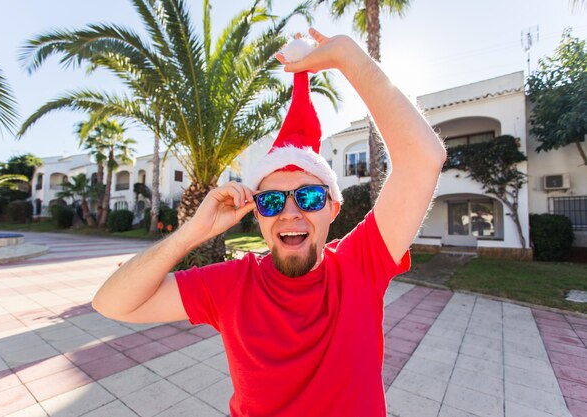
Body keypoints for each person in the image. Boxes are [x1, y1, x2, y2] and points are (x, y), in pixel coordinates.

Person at [92, 28, 446, 417]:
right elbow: (111, 304)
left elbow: (422, 158)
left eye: (309, 196)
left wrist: (348, 57)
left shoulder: (360, 265)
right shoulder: (232, 285)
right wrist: (192, 232)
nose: (290, 212)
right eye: (273, 200)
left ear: (333, 208)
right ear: (257, 211)